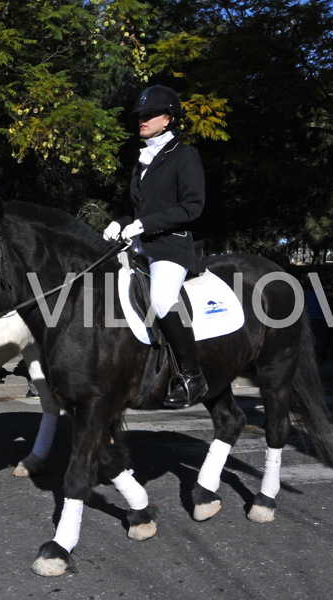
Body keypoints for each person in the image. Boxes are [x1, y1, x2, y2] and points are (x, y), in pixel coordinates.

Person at [103, 84, 207, 409]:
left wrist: (145, 225)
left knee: (162, 298)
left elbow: (192, 207)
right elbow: (137, 212)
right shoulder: (141, 163)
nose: (142, 120)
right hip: (139, 246)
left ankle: (192, 377)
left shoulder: (184, 155)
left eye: (149, 115)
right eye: (140, 115)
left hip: (170, 247)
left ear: (168, 119)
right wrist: (119, 222)